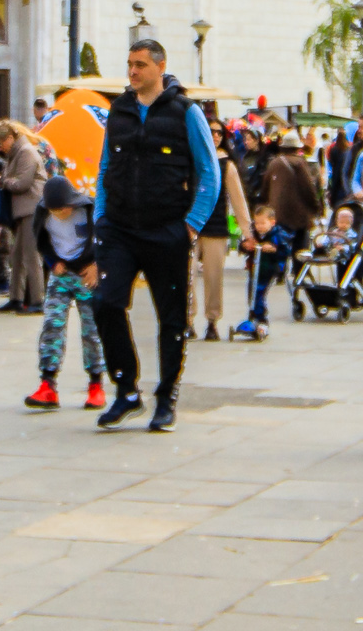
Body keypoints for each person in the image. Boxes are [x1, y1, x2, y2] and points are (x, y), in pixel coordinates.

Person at [91, 36, 219, 432]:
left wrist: (192, 224)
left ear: (160, 67)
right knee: (105, 303)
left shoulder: (185, 112)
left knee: (172, 317)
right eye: (129, 63)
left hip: (166, 230)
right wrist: (100, 217)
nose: (132, 71)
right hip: (119, 228)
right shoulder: (119, 111)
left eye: (140, 65)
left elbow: (210, 172)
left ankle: (167, 397)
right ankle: (126, 389)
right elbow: (103, 168)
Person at [25, 172, 110, 412]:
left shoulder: (90, 210)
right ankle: (48, 383)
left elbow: (107, 239)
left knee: (91, 329)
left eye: (63, 209)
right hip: (61, 275)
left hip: (87, 275)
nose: (60, 214)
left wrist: (97, 265)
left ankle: (96, 384)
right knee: (52, 324)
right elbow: (40, 240)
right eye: (54, 210)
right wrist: (52, 262)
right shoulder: (42, 213)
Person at [242, 127, 322, 337]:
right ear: (297, 148)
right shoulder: (300, 164)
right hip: (299, 220)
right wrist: (317, 208)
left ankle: (276, 275)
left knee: (277, 251)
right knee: (300, 259)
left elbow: (265, 189)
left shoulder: (273, 163)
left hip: (278, 218)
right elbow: (309, 191)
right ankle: (299, 293)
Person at [197, 118, 258, 343]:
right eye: (211, 132)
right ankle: (186, 320)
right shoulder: (192, 157)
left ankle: (212, 321)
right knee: (185, 277)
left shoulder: (227, 165)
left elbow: (238, 201)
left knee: (213, 277)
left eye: (219, 133)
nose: (215, 136)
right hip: (190, 226)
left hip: (215, 227)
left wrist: (248, 232)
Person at [0, 120, 50, 317]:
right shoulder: (15, 154)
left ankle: (37, 300)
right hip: (22, 210)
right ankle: (15, 298)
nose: (1, 149)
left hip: (31, 209)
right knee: (16, 256)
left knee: (31, 255)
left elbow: (22, 184)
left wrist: (2, 181)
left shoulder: (26, 152)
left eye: (1, 145)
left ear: (10, 138)